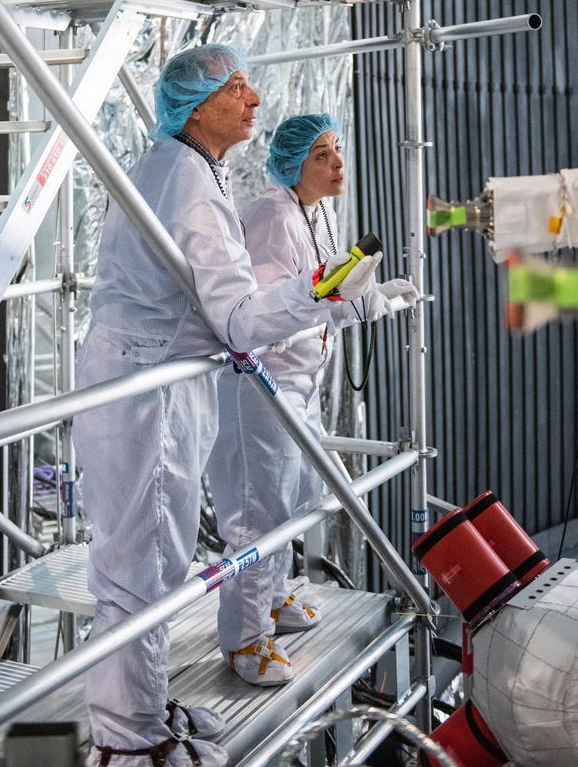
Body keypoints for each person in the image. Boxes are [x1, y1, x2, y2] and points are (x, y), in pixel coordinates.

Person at [73, 50, 384, 767]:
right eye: (236, 87)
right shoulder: (190, 180)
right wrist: (322, 290)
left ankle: (144, 708)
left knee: (152, 559)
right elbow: (240, 319)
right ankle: (130, 740)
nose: (254, 98)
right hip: (151, 388)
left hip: (154, 375)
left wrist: (329, 291)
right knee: (144, 564)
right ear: (198, 104)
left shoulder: (181, 167)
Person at [207, 114, 418, 686]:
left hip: (303, 379)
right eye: (322, 155)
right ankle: (245, 640)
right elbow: (267, 312)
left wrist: (377, 298)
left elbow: (325, 292)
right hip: (263, 383)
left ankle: (273, 597)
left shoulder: (317, 212)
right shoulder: (273, 216)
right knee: (258, 511)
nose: (337, 163)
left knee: (293, 496)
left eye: (337, 150)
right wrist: (339, 298)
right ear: (293, 165)